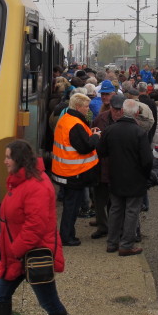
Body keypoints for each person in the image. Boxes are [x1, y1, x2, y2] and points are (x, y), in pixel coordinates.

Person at [0, 140, 71, 315]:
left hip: (32, 255)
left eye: (8, 157)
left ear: (19, 160)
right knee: (0, 293)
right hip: (20, 254)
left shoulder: (37, 186)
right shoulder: (20, 181)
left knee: (49, 302)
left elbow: (35, 226)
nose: (5, 161)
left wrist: (15, 249)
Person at [97, 98, 153, 256]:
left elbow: (101, 151)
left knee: (115, 209)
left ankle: (111, 242)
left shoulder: (110, 130)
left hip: (115, 175)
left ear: (122, 111)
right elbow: (147, 159)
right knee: (131, 211)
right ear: (136, 113)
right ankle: (126, 244)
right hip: (135, 178)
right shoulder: (139, 132)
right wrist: (146, 175)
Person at [52, 93, 101, 246]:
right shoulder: (76, 124)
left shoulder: (65, 119)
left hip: (63, 170)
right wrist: (96, 137)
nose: (88, 109)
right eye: (86, 106)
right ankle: (67, 237)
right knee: (71, 207)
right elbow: (84, 147)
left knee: (69, 205)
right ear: (78, 107)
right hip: (74, 173)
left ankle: (67, 234)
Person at [90, 94, 126, 239]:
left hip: (118, 167)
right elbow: (93, 137)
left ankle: (114, 227)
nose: (117, 112)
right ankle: (102, 226)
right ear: (110, 107)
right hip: (101, 166)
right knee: (99, 200)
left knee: (116, 201)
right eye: (115, 109)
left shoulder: (128, 122)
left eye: (120, 109)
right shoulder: (101, 119)